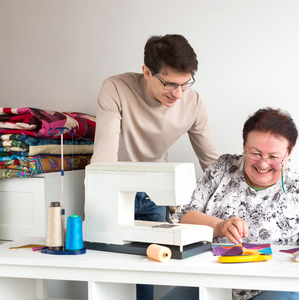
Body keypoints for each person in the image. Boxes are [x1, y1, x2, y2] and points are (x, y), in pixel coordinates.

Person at [164, 107, 299, 300]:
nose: (263, 164)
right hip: (211, 280)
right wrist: (218, 225)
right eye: (255, 153)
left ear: (289, 153)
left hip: (274, 287)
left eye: (274, 157)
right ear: (244, 146)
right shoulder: (223, 168)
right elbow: (180, 215)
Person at [90, 34, 220, 300]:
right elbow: (103, 160)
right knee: (107, 269)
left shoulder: (192, 103)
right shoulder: (115, 88)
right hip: (114, 190)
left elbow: (211, 162)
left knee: (147, 270)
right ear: (147, 72)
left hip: (155, 194)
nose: (178, 94)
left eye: (185, 84)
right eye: (170, 84)